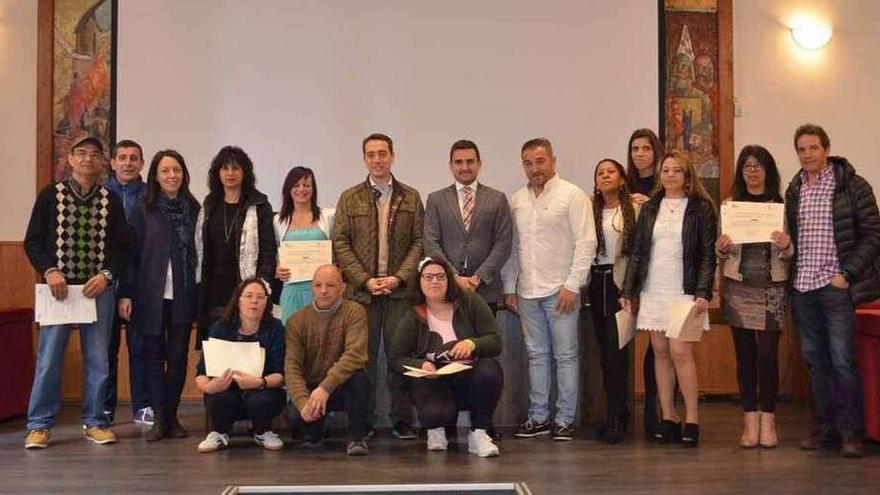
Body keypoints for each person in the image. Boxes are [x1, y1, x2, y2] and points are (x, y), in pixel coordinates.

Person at [23, 136, 128, 449]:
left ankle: (95, 421)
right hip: (59, 290)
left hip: (98, 290)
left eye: (94, 155)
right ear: (69, 159)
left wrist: (107, 275)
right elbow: (33, 241)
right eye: (81, 153)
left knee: (98, 360)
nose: (87, 160)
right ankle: (39, 425)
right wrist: (50, 271)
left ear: (102, 162)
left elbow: (123, 248)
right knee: (49, 359)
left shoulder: (111, 199)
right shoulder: (50, 196)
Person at [785, 124, 880, 458]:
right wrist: (786, 246)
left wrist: (847, 274)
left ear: (826, 148)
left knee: (842, 362)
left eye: (813, 147)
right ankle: (824, 431)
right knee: (815, 363)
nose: (807, 154)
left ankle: (851, 434)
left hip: (835, 286)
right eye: (801, 149)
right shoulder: (794, 188)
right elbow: (795, 239)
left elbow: (872, 236)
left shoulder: (852, 185)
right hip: (803, 287)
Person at [502, 138, 596, 441]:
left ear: (553, 160)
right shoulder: (517, 200)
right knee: (536, 356)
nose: (535, 168)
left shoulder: (572, 196)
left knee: (566, 356)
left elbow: (586, 243)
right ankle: (538, 417)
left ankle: (565, 419)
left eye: (540, 161)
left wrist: (572, 285)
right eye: (528, 163)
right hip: (528, 291)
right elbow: (514, 249)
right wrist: (509, 287)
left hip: (561, 291)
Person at [620, 151, 716, 448]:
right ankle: (669, 417)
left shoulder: (701, 208)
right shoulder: (650, 207)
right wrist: (628, 291)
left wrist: (703, 292)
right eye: (666, 170)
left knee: (680, 352)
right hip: (654, 288)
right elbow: (637, 252)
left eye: (676, 171)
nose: (670, 175)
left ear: (687, 176)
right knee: (660, 352)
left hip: (685, 291)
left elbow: (707, 254)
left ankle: (692, 419)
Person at [333, 133, 424, 439]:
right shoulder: (349, 197)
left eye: (382, 153)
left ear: (392, 157)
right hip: (362, 295)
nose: (377, 159)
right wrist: (364, 280)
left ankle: (402, 420)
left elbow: (419, 242)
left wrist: (399, 277)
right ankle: (366, 421)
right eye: (371, 155)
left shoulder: (411, 197)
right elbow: (341, 243)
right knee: (363, 359)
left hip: (401, 293)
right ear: (364, 159)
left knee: (400, 357)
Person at [118, 150, 200, 442]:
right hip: (148, 295)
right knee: (152, 357)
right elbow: (130, 255)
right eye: (165, 171)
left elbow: (198, 253)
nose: (171, 176)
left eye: (176, 170)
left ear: (184, 174)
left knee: (177, 358)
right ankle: (159, 419)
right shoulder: (143, 208)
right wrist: (126, 293)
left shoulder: (193, 207)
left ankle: (172, 416)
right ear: (155, 175)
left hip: (183, 294)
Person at [716, 146, 791, 448]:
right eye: (747, 166)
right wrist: (720, 247)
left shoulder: (782, 206)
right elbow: (719, 250)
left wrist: (787, 246)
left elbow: (793, 251)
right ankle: (749, 420)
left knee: (768, 355)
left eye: (759, 166)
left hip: (773, 287)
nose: (752, 171)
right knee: (745, 355)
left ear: (768, 170)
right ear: (741, 171)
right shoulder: (730, 205)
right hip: (738, 287)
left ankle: (768, 419)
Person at [391, 257, 503, 457]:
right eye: (428, 277)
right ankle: (435, 428)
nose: (435, 281)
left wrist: (472, 343)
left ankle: (479, 433)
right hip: (432, 382)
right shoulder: (413, 314)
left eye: (440, 277)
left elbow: (495, 342)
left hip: (466, 376)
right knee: (437, 413)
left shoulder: (470, 301)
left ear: (449, 280)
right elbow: (396, 358)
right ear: (420, 281)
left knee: (490, 370)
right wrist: (422, 364)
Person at [285, 265, 370, 456]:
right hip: (312, 389)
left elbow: (355, 355)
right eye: (318, 285)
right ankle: (316, 430)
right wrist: (302, 402)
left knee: (360, 378)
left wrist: (325, 388)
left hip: (342, 385)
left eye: (331, 285)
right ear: (311, 288)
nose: (323, 291)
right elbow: (292, 367)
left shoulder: (354, 312)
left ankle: (357, 437)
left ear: (343, 288)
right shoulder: (296, 321)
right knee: (297, 418)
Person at [195, 278, 287, 453]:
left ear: (266, 302)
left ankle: (262, 431)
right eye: (249, 296)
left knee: (261, 399)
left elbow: (281, 374)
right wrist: (209, 386)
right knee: (218, 396)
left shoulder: (275, 329)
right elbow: (201, 372)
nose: (254, 301)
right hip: (226, 389)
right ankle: (219, 433)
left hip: (262, 389)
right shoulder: (220, 328)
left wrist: (260, 382)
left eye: (260, 297)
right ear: (238, 300)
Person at [196, 146, 277, 343]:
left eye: (236, 168)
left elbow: (268, 251)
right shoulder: (210, 204)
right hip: (214, 292)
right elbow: (199, 248)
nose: (230, 174)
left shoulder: (259, 205)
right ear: (218, 173)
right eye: (225, 168)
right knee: (217, 350)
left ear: (245, 173)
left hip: (246, 290)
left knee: (246, 349)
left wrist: (262, 284)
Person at [423, 139, 513, 309]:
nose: (464, 167)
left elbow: (503, 244)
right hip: (448, 288)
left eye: (470, 161)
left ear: (479, 164)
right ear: (451, 166)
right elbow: (431, 242)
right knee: (451, 337)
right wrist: (454, 277)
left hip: (486, 288)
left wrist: (478, 277)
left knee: (485, 336)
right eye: (458, 162)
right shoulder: (436, 199)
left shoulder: (497, 199)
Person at [588, 159, 639, 444]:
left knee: (616, 354)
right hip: (596, 283)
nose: (605, 176)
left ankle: (617, 417)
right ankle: (615, 413)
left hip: (620, 285)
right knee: (604, 355)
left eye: (610, 171)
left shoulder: (634, 208)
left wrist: (630, 291)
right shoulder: (589, 208)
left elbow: (638, 253)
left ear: (621, 178)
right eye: (599, 172)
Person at [103, 139, 151, 426]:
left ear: (142, 164)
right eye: (122, 157)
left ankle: (142, 406)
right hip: (104, 283)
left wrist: (131, 289)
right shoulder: (101, 194)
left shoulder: (150, 196)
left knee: (140, 348)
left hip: (142, 284)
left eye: (134, 158)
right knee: (104, 349)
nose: (128, 163)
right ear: (113, 162)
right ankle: (105, 407)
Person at [625, 128, 666, 439]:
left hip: (663, 274)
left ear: (656, 151)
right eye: (635, 149)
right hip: (630, 273)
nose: (640, 154)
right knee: (626, 344)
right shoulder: (622, 184)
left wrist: (649, 203)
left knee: (660, 347)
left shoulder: (667, 186)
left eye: (646, 148)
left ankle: (658, 408)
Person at [273, 166, 334, 324]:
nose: (301, 189)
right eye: (296, 185)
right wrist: (277, 269)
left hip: (322, 291)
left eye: (306, 185)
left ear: (313, 189)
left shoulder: (328, 216)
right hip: (291, 290)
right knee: (291, 337)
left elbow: (339, 249)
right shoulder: (278, 220)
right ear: (288, 189)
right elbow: (272, 254)